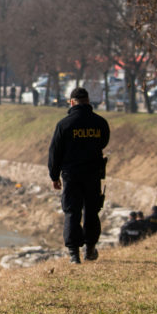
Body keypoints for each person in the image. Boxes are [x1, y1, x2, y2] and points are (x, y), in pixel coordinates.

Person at [48, 87, 110, 264]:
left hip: (71, 175)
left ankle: (74, 254)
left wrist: (54, 176)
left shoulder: (64, 124)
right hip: (93, 174)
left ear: (71, 102)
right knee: (91, 211)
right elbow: (104, 142)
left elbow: (55, 152)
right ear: (88, 101)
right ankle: (90, 248)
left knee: (72, 212)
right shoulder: (100, 123)